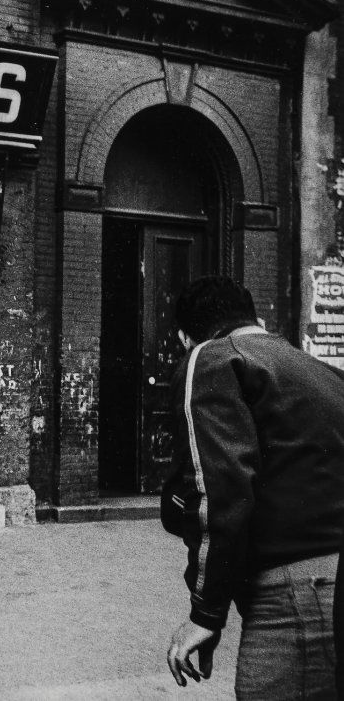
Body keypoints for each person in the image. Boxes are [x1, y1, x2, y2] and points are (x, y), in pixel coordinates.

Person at [161, 275, 344, 698]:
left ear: (186, 337)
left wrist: (205, 614)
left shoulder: (212, 358)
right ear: (256, 319)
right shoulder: (322, 372)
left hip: (296, 594)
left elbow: (220, 494)